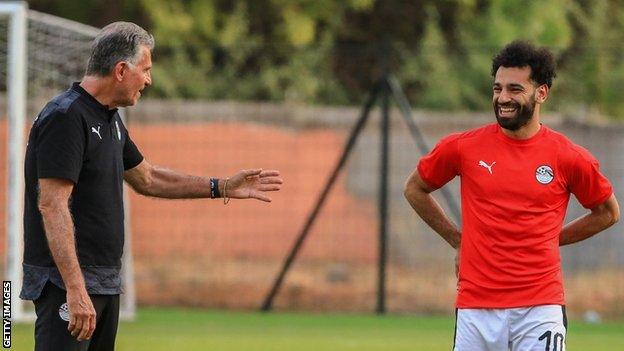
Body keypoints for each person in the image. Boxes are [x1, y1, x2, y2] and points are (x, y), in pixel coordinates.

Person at [20, 22, 283, 351]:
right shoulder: (66, 118)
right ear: (120, 70)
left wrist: (222, 186)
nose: (149, 80)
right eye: (145, 70)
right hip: (68, 285)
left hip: (103, 282)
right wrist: (75, 288)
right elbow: (52, 204)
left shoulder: (109, 118)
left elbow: (148, 177)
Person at [404, 41, 619, 350]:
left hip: (540, 308)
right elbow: (415, 189)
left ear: (541, 93)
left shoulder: (569, 157)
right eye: (497, 88)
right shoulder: (463, 147)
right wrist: (457, 239)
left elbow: (608, 212)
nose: (503, 98)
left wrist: (554, 238)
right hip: (475, 308)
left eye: (515, 89)